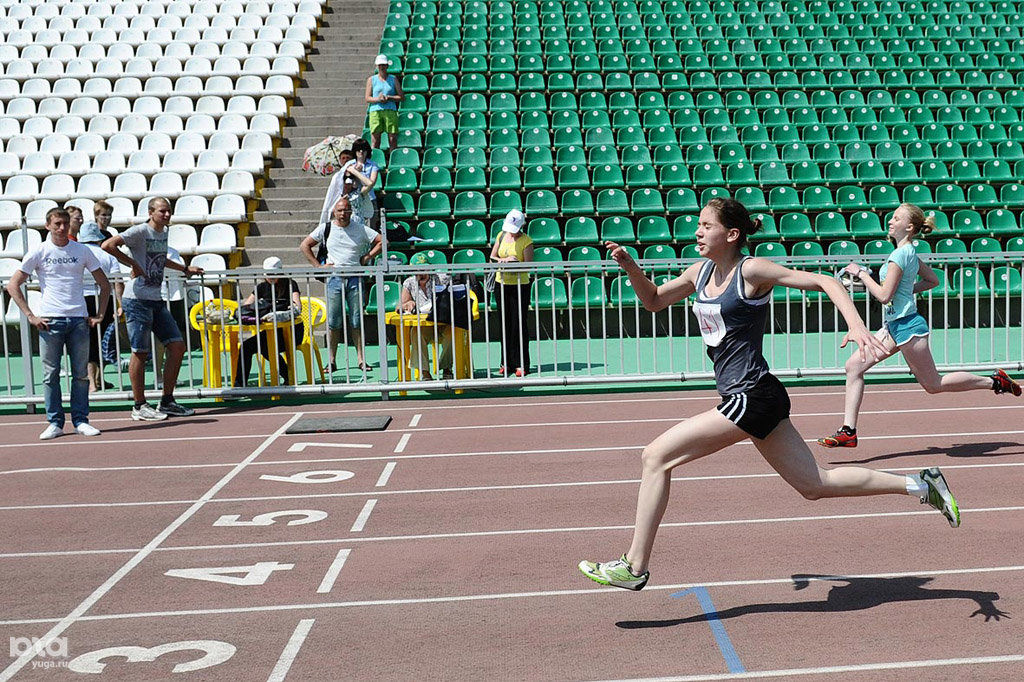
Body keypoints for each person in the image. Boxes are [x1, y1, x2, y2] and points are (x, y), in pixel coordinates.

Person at [578, 198, 962, 592]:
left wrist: (857, 326)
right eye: (698, 224)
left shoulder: (752, 270)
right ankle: (921, 484)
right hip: (756, 395)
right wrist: (630, 267)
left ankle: (634, 565)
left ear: (732, 234)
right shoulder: (700, 271)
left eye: (706, 225)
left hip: (751, 395)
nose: (697, 231)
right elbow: (654, 300)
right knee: (816, 485)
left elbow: (825, 281)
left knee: (655, 456)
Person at [818, 203, 1021, 447]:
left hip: (908, 328)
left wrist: (861, 274)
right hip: (893, 326)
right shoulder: (909, 252)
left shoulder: (899, 255)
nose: (890, 221)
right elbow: (932, 280)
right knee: (853, 367)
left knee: (933, 385)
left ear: (910, 227)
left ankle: (995, 381)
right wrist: (904, 291)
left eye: (896, 218)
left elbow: (883, 296)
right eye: (891, 217)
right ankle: (848, 431)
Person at [5, 208, 110, 439]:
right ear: (48, 226)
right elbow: (13, 285)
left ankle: (81, 420)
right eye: (57, 224)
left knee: (81, 374)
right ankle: (55, 422)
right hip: (50, 320)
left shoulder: (81, 250)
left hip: (78, 319)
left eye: (65, 223)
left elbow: (104, 283)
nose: (61, 228)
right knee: (50, 374)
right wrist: (31, 316)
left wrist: (100, 314)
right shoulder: (39, 251)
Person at [101, 197, 203, 421]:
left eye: (168, 211)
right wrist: (133, 264)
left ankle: (167, 401)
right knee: (140, 351)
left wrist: (185, 268)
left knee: (177, 346)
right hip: (136, 299)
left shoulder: (163, 233)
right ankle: (139, 405)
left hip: (155, 299)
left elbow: (159, 259)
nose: (166, 215)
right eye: (162, 211)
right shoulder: (139, 231)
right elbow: (108, 245)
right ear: (150, 212)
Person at [300, 196, 381, 375]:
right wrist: (318, 266)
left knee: (356, 319)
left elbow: (382, 241)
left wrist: (367, 257)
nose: (343, 213)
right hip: (334, 278)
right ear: (334, 212)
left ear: (351, 211)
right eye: (340, 210)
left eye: (346, 210)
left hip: (355, 277)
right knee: (333, 321)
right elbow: (305, 245)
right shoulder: (326, 228)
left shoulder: (360, 228)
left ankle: (361, 359)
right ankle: (331, 360)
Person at [233, 256, 302, 387]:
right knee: (246, 347)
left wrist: (277, 314)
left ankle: (288, 376)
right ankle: (239, 385)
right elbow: (246, 306)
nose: (270, 278)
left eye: (274, 274)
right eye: (268, 274)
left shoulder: (290, 284)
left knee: (266, 347)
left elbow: (297, 307)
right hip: (270, 332)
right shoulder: (261, 287)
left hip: (290, 332)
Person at [77, 221, 123, 392]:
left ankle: (92, 382)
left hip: (83, 299)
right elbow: (118, 282)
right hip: (106, 299)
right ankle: (98, 378)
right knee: (103, 339)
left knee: (87, 341)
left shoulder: (79, 254)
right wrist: (120, 304)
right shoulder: (108, 256)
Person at [489, 209, 533, 376]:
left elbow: (528, 266)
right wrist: (503, 261)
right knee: (504, 323)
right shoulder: (501, 235)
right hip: (502, 284)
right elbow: (492, 257)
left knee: (519, 324)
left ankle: (522, 363)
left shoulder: (527, 241)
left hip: (520, 285)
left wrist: (515, 264)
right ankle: (506, 362)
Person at [398, 252, 453, 381]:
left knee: (452, 334)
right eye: (417, 270)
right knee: (416, 333)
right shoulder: (409, 283)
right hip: (425, 325)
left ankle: (446, 368)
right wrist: (407, 304)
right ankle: (425, 372)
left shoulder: (441, 279)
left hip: (444, 322)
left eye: (424, 269)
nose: (421, 273)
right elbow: (399, 306)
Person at [365, 54, 403, 150]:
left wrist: (389, 97)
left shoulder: (393, 79)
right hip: (376, 111)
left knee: (392, 139)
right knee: (375, 140)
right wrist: (378, 99)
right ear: (377, 66)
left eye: (383, 65)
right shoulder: (371, 80)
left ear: (387, 66)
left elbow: (401, 97)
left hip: (390, 110)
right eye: (380, 65)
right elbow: (367, 98)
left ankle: (392, 160)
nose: (381, 67)